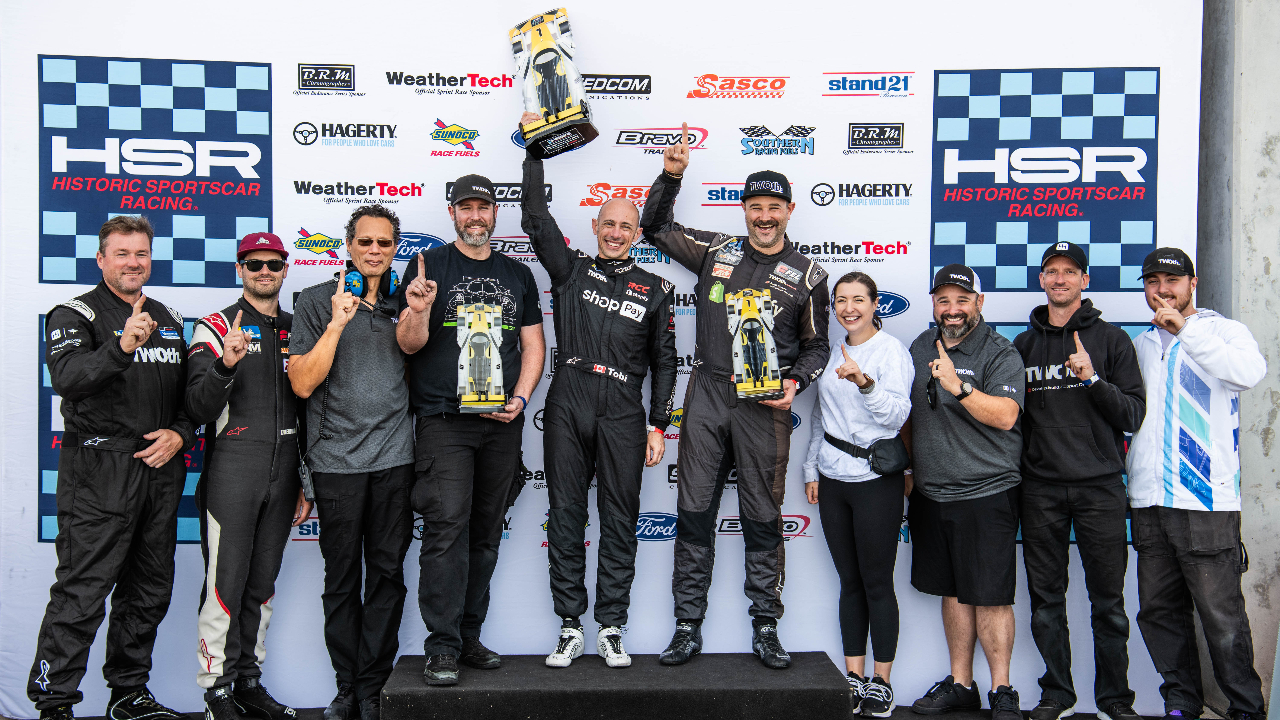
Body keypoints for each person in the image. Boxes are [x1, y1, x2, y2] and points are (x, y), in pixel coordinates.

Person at [640, 124, 830, 669]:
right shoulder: (715, 252)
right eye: (755, 206)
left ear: (790, 210)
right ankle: (685, 625)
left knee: (763, 517)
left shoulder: (809, 274)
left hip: (764, 404)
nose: (764, 216)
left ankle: (767, 627)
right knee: (694, 510)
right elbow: (654, 226)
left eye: (774, 206)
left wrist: (796, 382)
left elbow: (817, 347)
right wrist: (671, 174)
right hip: (707, 393)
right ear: (743, 210)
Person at [518, 113, 678, 669]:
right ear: (596, 228)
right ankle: (569, 625)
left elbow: (665, 362)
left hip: (624, 411)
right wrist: (535, 151)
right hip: (569, 399)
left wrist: (659, 423)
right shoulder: (570, 272)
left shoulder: (655, 289)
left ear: (635, 235)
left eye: (625, 227)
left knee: (618, 518)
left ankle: (611, 625)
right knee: (564, 515)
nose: (615, 233)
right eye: (608, 224)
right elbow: (536, 219)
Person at [28, 215, 195, 720]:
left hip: (160, 470)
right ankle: (54, 700)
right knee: (83, 588)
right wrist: (122, 345)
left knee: (149, 589)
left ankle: (128, 693)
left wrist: (181, 433)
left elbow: (189, 396)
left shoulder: (167, 316)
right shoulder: (73, 313)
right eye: (121, 254)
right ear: (101, 259)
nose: (133, 263)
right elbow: (69, 378)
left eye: (141, 253)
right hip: (97, 469)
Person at [396, 174, 545, 686]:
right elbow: (409, 345)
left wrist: (521, 400)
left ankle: (468, 634)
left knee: (485, 535)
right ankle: (441, 647)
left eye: (483, 206)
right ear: (453, 213)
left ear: (495, 213)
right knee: (445, 532)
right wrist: (417, 310)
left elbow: (533, 345)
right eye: (466, 207)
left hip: (503, 424)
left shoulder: (517, 274)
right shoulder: (428, 268)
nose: (475, 215)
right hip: (444, 423)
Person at [1126, 248, 1268, 720]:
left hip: (1206, 501)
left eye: (1171, 281)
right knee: (1159, 613)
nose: (1162, 291)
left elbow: (1249, 374)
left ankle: (1246, 708)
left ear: (1193, 282)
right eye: (1153, 282)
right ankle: (1181, 703)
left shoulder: (1224, 331)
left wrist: (1185, 331)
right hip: (1149, 500)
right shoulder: (1142, 344)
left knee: (1222, 618)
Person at [290, 204, 416, 720]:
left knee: (386, 575)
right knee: (341, 579)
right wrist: (339, 323)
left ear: (394, 249)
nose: (374, 251)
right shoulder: (317, 301)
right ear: (347, 247)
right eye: (365, 242)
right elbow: (301, 382)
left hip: (395, 460)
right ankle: (347, 686)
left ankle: (373, 687)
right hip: (336, 463)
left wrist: (417, 311)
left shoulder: (407, 304)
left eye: (384, 243)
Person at [1012, 242, 1146, 720]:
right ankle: (1057, 695)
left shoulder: (1112, 340)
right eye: (1052, 271)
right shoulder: (1023, 347)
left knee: (1108, 603)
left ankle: (1114, 699)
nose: (1060, 279)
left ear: (1085, 280)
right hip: (1040, 489)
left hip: (1101, 488)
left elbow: (1132, 415)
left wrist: (1092, 380)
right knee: (1046, 602)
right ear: (1042, 279)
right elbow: (1012, 421)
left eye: (1070, 272)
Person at [185, 232, 312, 720]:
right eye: (253, 263)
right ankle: (217, 689)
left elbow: (308, 412)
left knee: (262, 584)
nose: (264, 270)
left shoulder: (297, 327)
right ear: (240, 268)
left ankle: (248, 679)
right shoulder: (215, 326)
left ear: (285, 268)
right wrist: (225, 365)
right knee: (226, 583)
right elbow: (196, 406)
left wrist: (303, 479)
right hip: (232, 472)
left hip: (283, 477)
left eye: (273, 263)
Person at [906, 264, 1025, 720]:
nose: (952, 310)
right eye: (943, 300)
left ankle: (1003, 689)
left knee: (990, 595)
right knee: (953, 592)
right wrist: (912, 468)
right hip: (933, 494)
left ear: (979, 302)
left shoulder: (1000, 351)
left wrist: (959, 386)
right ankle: (962, 684)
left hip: (987, 491)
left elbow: (1006, 416)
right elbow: (908, 414)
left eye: (961, 300)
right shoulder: (919, 346)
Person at [802, 271, 912, 716]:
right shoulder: (834, 351)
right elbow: (821, 418)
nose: (849, 308)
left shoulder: (891, 352)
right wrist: (812, 467)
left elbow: (895, 417)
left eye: (858, 300)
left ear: (874, 304)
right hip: (833, 480)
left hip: (874, 483)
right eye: (841, 300)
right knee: (849, 583)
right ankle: (853, 676)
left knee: (876, 583)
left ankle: (881, 683)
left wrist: (865, 383)